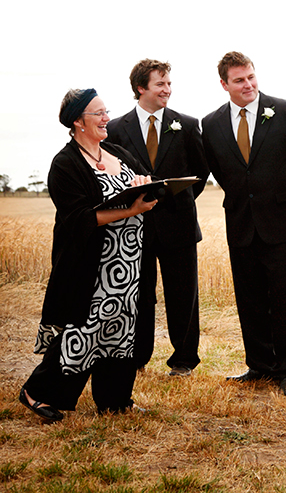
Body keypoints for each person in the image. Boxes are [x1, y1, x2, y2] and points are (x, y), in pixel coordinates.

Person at [19, 88, 157, 422]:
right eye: (98, 113)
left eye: (106, 111)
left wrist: (145, 183)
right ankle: (36, 392)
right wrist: (131, 210)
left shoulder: (117, 152)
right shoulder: (65, 164)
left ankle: (115, 400)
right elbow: (80, 217)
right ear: (78, 121)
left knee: (121, 329)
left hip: (129, 264)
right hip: (91, 267)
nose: (106, 118)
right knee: (82, 333)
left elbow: (147, 183)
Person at [201, 52, 286, 396]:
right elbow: (222, 171)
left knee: (285, 297)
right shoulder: (211, 123)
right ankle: (259, 365)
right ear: (224, 84)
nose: (248, 84)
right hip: (240, 221)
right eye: (239, 80)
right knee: (249, 296)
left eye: (251, 76)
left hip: (282, 221)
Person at [107, 59, 209, 377]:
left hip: (179, 223)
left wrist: (176, 201)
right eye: (160, 84)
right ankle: (137, 356)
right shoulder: (115, 129)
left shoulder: (188, 125)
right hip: (135, 226)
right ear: (141, 88)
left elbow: (200, 173)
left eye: (168, 83)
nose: (167, 90)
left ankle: (183, 360)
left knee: (183, 294)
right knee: (139, 293)